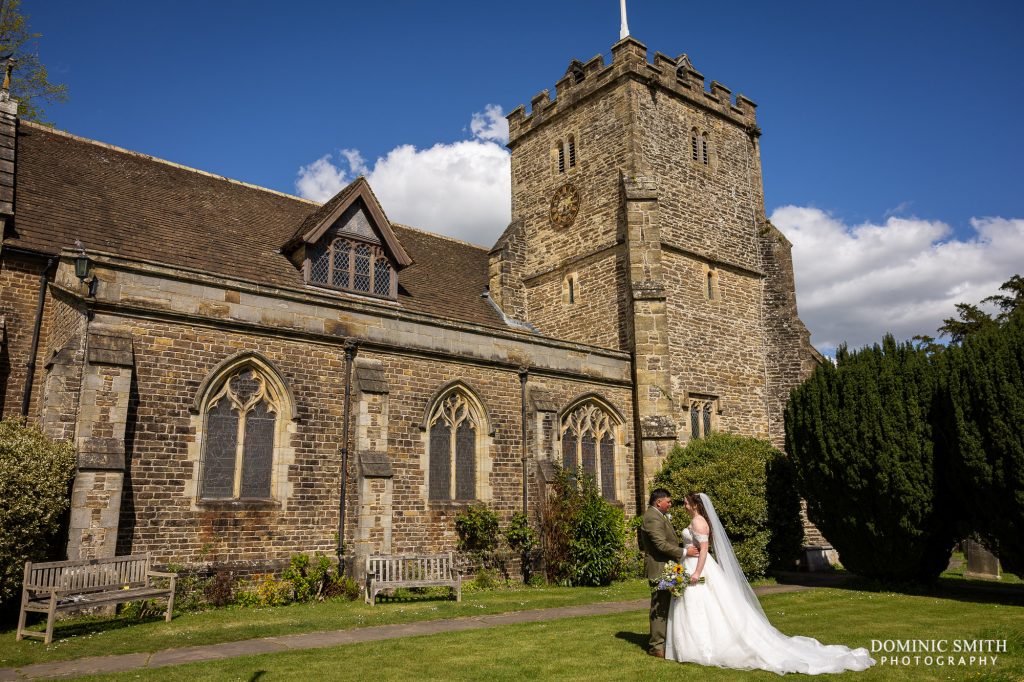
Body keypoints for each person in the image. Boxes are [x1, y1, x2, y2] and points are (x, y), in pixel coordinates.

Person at [664, 492, 876, 674]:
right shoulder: (695, 521)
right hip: (688, 564)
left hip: (698, 568)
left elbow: (703, 552)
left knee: (705, 605)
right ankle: (692, 646)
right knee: (694, 606)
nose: (684, 505)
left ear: (695, 504)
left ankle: (703, 648)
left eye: (686, 502)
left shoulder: (699, 522)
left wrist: (697, 573)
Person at [639, 488, 699, 658]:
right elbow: (660, 545)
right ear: (659, 502)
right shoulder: (652, 517)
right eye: (669, 501)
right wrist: (686, 552)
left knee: (667, 606)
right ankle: (656, 647)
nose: (671, 504)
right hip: (659, 568)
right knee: (660, 607)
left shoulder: (658, 515)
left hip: (668, 567)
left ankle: (665, 642)